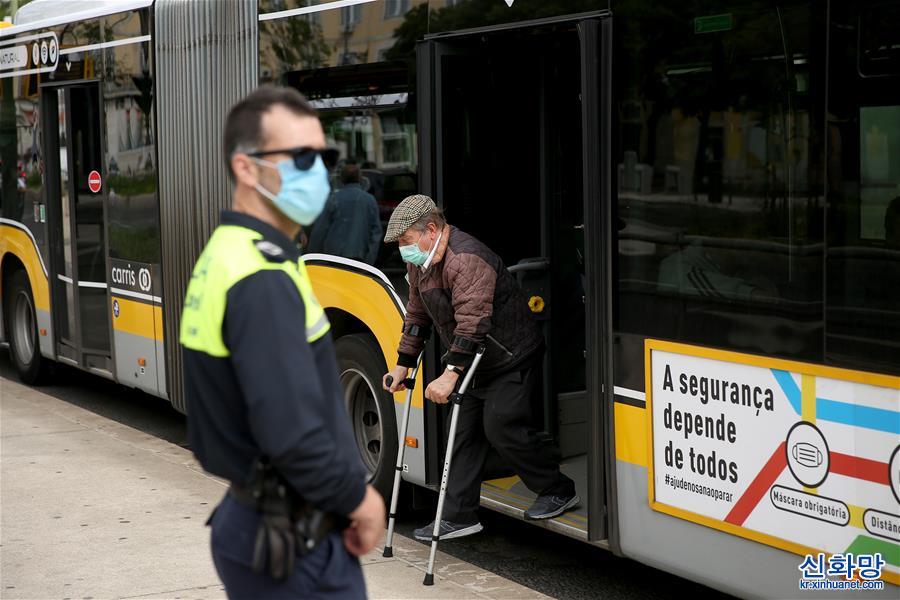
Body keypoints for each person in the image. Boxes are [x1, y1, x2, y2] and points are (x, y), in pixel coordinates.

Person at [180, 86, 384, 599]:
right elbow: (292, 429)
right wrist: (359, 500)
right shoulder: (261, 276)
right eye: (300, 157)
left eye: (323, 157)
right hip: (294, 544)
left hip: (260, 523)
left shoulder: (230, 253)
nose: (318, 170)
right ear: (246, 168)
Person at [381, 194, 578, 541]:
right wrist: (403, 365)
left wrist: (450, 374)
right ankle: (458, 516)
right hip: (473, 358)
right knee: (462, 433)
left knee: (502, 425)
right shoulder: (420, 263)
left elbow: (472, 324)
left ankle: (558, 488)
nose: (403, 251)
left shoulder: (466, 258)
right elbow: (417, 316)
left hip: (510, 354)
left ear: (431, 229)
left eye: (406, 242)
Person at [306, 162, 382, 264]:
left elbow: (320, 230)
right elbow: (376, 232)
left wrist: (312, 255)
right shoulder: (369, 200)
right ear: (360, 179)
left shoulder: (333, 200)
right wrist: (370, 258)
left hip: (334, 258)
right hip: (360, 258)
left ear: (341, 179)